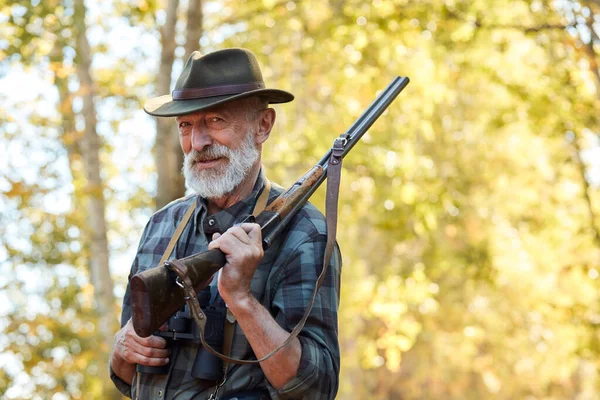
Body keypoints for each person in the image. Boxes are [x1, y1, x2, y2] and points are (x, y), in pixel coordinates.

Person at [109, 48, 341, 400]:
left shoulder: (305, 232)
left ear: (263, 126)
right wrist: (122, 350)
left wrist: (242, 301)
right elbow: (126, 376)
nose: (198, 142)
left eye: (215, 121)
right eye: (186, 125)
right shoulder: (160, 225)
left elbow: (315, 388)